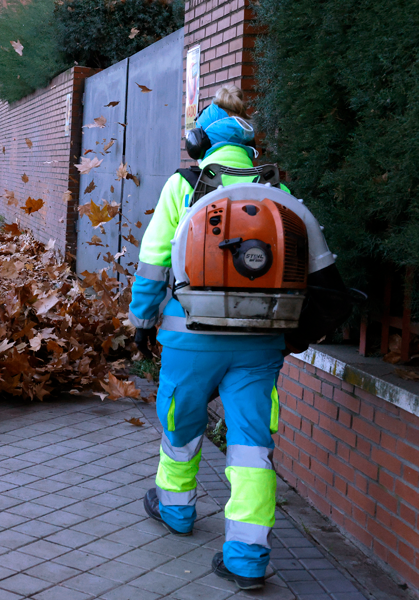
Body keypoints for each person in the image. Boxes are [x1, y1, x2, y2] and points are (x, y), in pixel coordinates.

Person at [130, 85, 286, 591]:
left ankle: (176, 510)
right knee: (250, 444)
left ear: (200, 140)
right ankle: (246, 557)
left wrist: (141, 319)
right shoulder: (273, 190)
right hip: (260, 340)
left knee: (181, 422)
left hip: (190, 334)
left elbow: (154, 261)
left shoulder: (184, 184)